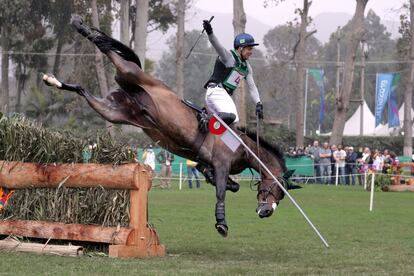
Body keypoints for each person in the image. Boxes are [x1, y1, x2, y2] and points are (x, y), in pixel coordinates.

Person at [202, 19, 263, 125]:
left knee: (230, 124)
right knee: (233, 118)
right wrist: (210, 32)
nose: (251, 52)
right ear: (240, 48)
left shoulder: (246, 67)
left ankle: (208, 125)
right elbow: (216, 44)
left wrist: (258, 103)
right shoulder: (228, 57)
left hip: (222, 95)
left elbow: (252, 87)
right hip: (216, 92)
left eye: (251, 49)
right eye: (249, 49)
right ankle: (206, 119)